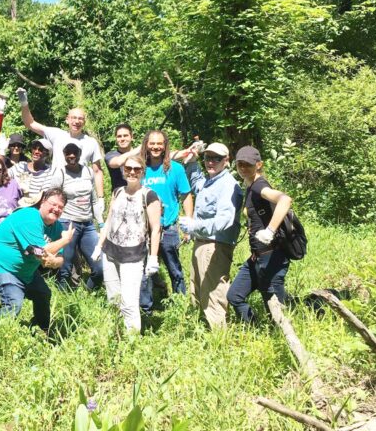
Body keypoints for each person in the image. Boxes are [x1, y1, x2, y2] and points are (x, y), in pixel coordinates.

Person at [108, 130, 193, 311]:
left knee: (174, 269)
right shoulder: (139, 168)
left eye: (159, 144)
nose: (155, 147)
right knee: (144, 272)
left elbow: (186, 195)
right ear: (146, 144)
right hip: (142, 230)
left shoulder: (175, 169)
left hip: (167, 227)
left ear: (165, 146)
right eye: (152, 143)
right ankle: (146, 309)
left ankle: (180, 305)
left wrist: (188, 223)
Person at [0, 188, 74, 331]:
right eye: (53, 204)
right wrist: (65, 240)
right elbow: (40, 251)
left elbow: (60, 258)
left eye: (60, 207)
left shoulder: (56, 227)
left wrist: (54, 262)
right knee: (13, 301)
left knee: (43, 293)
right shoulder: (29, 217)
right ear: (42, 202)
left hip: (25, 271)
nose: (56, 209)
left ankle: (41, 330)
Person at [93, 155, 162, 332]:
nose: (132, 172)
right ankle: (117, 334)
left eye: (136, 169)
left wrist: (153, 258)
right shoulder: (117, 192)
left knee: (129, 302)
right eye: (128, 168)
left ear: (142, 172)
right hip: (110, 252)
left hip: (133, 256)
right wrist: (99, 245)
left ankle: (132, 342)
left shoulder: (149, 196)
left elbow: (156, 229)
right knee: (114, 298)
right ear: (123, 171)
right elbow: (109, 221)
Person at [178, 142, 243, 328]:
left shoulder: (228, 185)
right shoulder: (211, 180)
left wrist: (194, 225)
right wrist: (191, 163)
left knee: (213, 292)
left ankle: (219, 337)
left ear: (226, 160)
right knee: (198, 289)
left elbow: (224, 221)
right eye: (207, 158)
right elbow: (198, 185)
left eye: (216, 158)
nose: (211, 162)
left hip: (215, 245)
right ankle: (204, 331)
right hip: (202, 243)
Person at [227, 146, 293, 323]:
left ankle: (280, 336)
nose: (243, 168)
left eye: (247, 165)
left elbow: (285, 199)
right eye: (239, 164)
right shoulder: (250, 186)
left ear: (259, 165)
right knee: (234, 296)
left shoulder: (259, 186)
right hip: (257, 258)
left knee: (277, 313)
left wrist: (270, 230)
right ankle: (254, 329)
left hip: (272, 258)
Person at [16, 87, 105, 219]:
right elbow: (30, 123)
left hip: (80, 196)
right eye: (74, 118)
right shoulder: (57, 134)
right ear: (67, 119)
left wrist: (100, 197)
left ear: (84, 122)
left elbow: (97, 171)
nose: (77, 121)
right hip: (58, 191)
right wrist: (24, 102)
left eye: (80, 118)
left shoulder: (90, 142)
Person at [47, 140, 105, 290]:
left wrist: (101, 222)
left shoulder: (88, 171)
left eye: (75, 153)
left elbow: (93, 199)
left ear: (80, 155)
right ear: (64, 155)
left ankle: (89, 292)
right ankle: (61, 299)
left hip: (87, 224)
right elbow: (52, 198)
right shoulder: (60, 173)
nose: (72, 156)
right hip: (67, 222)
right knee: (65, 268)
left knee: (100, 267)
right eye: (68, 153)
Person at [104, 123, 134, 193]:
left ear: (132, 137)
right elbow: (118, 162)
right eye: (119, 136)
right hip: (119, 197)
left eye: (125, 136)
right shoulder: (110, 155)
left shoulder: (141, 154)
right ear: (116, 138)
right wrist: (139, 149)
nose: (122, 139)